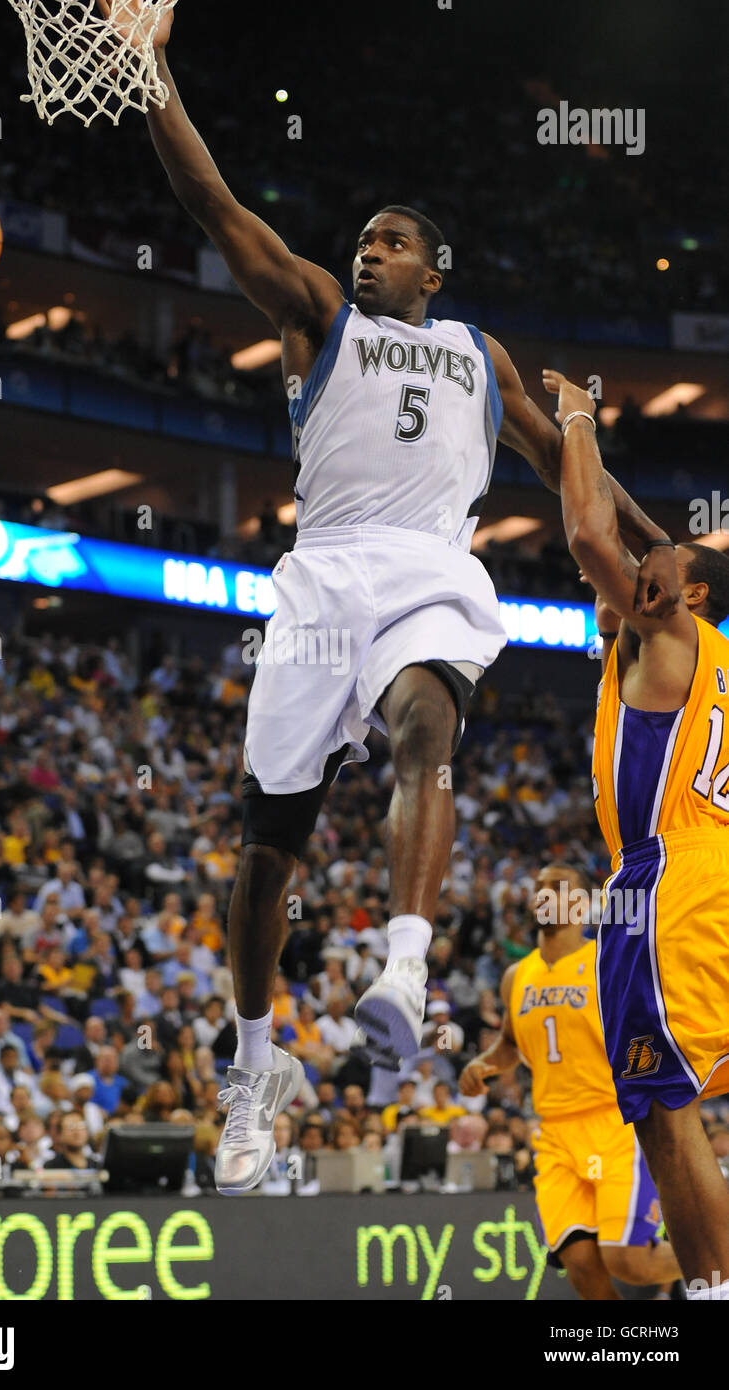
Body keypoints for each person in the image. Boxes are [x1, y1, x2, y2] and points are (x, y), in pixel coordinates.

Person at [99, 0, 678, 1196]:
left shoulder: (479, 354)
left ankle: (403, 965)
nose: (367, 251)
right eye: (361, 238)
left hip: (425, 564)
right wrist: (149, 71)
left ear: (435, 267)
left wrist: (652, 537)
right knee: (268, 847)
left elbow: (559, 465)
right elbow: (214, 209)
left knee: (428, 722)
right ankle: (254, 1066)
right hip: (322, 574)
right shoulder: (317, 314)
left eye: (391, 242)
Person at [543, 368, 729, 1301]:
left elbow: (587, 533)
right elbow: (620, 530)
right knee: (660, 1107)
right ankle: (704, 1290)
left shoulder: (671, 635)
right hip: (693, 873)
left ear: (686, 597)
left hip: (673, 874)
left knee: (672, 1106)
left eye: (664, 567)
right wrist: (567, 440)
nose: (645, 566)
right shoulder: (704, 647)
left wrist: (576, 417)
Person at [461, 862, 682, 1300]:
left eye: (557, 888)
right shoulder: (515, 976)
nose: (543, 894)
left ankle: (717, 1250)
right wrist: (484, 1064)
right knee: (580, 1265)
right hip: (555, 1132)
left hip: (614, 1124)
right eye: (538, 887)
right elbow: (510, 1043)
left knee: (630, 1262)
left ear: (582, 905)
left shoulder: (607, 963)